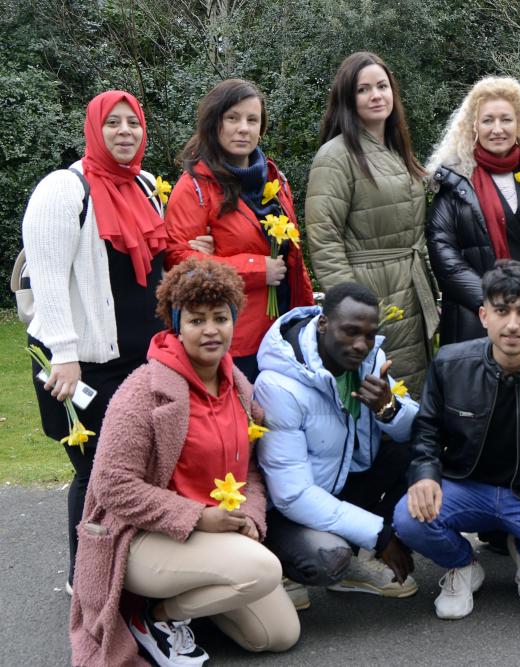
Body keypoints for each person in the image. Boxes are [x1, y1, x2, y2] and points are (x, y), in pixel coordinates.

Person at [69, 259, 299, 666]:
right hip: (141, 539)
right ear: (177, 325)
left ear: (233, 321)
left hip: (210, 538)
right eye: (196, 320)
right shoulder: (144, 389)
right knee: (263, 569)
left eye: (220, 318)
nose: (211, 330)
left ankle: (188, 606)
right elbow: (111, 484)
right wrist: (196, 517)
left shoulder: (239, 387)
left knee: (278, 634)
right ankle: (153, 618)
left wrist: (249, 515)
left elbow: (250, 472)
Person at [20, 90, 199, 592]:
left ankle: (127, 571)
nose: (125, 132)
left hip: (141, 361)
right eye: (113, 123)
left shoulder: (144, 184)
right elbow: (49, 280)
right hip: (83, 366)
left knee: (137, 472)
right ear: (93, 129)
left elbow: (156, 260)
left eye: (133, 124)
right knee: (97, 474)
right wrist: (64, 355)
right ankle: (88, 580)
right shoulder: (63, 190)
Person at [393, 261, 520, 620]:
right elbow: (427, 428)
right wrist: (425, 474)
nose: (513, 325)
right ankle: (463, 564)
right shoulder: (450, 363)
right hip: (467, 485)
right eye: (502, 311)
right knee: (407, 518)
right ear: (484, 314)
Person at [254, 282, 420, 607]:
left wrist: (389, 409)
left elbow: (417, 432)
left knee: (421, 452)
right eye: (350, 332)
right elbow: (292, 494)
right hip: (289, 509)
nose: (361, 345)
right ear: (323, 323)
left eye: (369, 335)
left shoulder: (372, 361)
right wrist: (380, 535)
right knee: (327, 560)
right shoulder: (280, 385)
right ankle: (284, 569)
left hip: (342, 483)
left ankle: (355, 558)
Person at [165, 78, 315, 382]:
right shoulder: (195, 186)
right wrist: (257, 268)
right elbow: (178, 260)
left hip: (283, 330)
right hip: (235, 337)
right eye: (232, 118)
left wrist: (307, 313)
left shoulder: (276, 180)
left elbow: (293, 259)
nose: (243, 128)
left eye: (252, 119)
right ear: (214, 123)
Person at [305, 51, 435, 395]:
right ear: (348, 99)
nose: (376, 95)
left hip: (410, 288)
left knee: (408, 392)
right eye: (364, 90)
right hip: (370, 291)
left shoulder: (396, 150)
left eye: (382, 86)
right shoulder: (336, 155)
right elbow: (324, 237)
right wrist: (351, 309)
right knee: (376, 387)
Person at [425, 76, 520, 349]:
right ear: (474, 126)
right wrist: (493, 305)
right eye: (488, 120)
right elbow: (443, 254)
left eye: (506, 119)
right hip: (475, 321)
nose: (497, 129)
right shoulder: (454, 181)